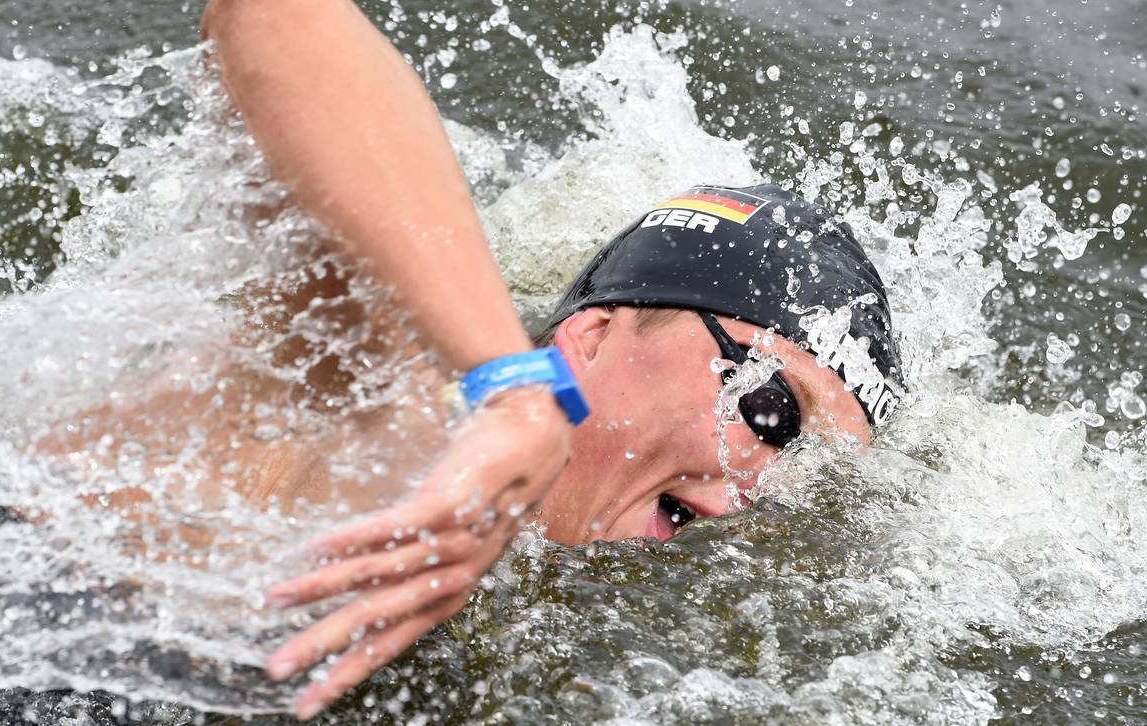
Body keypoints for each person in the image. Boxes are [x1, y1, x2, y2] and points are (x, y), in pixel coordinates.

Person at [92, 0, 909, 719]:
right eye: (773, 412)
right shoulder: (375, 384)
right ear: (590, 339)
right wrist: (512, 390)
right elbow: (271, 16)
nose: (763, 492)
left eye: (815, 469)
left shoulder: (566, 621)